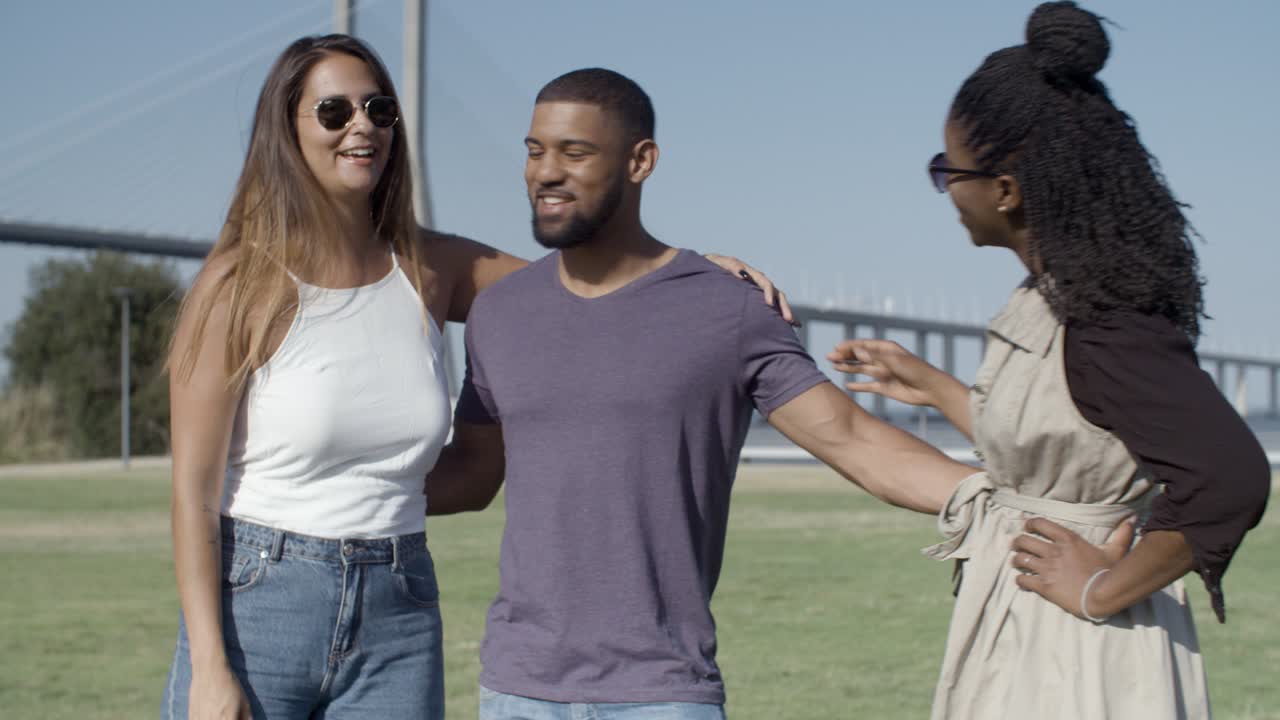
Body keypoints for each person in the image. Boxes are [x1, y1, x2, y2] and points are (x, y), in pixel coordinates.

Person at [161, 35, 793, 720]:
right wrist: (210, 666)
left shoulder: (434, 268)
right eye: (334, 112)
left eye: (378, 108)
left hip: (397, 606)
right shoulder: (238, 285)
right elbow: (192, 494)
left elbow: (602, 283)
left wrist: (694, 275)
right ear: (287, 130)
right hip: (262, 600)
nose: (362, 126)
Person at [423, 67, 980, 719]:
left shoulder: (727, 309)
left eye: (575, 152)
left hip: (661, 692)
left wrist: (998, 504)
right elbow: (472, 476)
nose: (546, 171)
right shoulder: (500, 315)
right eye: (534, 150)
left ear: (641, 161)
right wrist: (301, 490)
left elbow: (853, 439)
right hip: (516, 690)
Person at [828, 3, 1270, 718]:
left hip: (1082, 648)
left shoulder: (1105, 325)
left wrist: (1103, 589)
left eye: (948, 171)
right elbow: (1069, 444)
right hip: (1032, 622)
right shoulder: (1057, 298)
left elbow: (1230, 479)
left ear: (1005, 191)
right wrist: (935, 387)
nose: (945, 191)